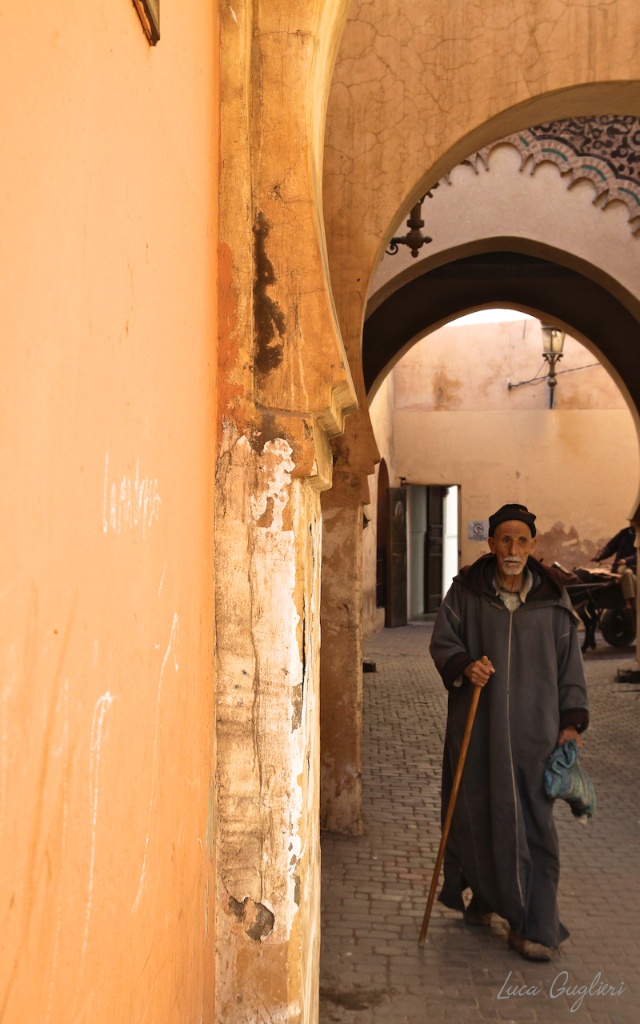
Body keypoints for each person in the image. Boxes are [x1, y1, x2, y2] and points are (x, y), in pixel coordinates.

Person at [429, 503, 589, 962]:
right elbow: (444, 640)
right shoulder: (466, 592)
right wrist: (465, 665)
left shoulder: (553, 603)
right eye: (505, 539)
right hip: (476, 732)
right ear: (492, 544)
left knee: (535, 828)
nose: (513, 549)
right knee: (475, 814)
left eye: (522, 540)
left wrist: (571, 724)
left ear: (533, 546)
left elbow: (570, 669)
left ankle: (535, 926)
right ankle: (486, 897)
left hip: (534, 739)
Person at [593, 524, 637, 609]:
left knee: (627, 573)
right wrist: (600, 555)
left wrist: (627, 560)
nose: (632, 523)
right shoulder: (624, 533)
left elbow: (638, 555)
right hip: (621, 566)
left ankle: (629, 603)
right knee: (625, 571)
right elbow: (610, 547)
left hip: (635, 567)